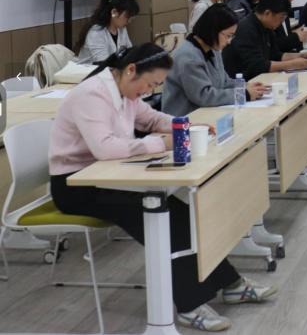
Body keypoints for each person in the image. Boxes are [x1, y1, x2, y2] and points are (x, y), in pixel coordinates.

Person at [48, 43, 276, 332]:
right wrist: (161, 143)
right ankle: (190, 304)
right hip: (76, 185)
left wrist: (183, 125)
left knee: (184, 214)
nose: (149, 91)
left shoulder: (125, 89)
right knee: (163, 215)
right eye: (150, 84)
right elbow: (104, 148)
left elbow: (152, 118)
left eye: (156, 86)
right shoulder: (92, 94)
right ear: (131, 70)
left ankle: (230, 284)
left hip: (109, 176)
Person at [163, 4, 270, 117]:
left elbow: (224, 81)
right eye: (228, 36)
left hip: (207, 113)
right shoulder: (188, 57)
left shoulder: (213, 48)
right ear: (213, 30)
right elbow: (204, 96)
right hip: (185, 118)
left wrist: (246, 86)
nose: (229, 41)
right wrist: (244, 94)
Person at [223, 0, 307, 80]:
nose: (281, 22)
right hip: (244, 81)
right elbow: (257, 66)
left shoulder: (266, 26)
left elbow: (275, 55)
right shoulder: (246, 29)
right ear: (267, 13)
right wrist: (292, 64)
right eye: (281, 18)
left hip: (261, 77)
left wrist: (299, 56)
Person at [75, 0, 139, 64]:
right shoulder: (96, 33)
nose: (129, 21)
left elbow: (130, 55)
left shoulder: (122, 29)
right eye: (127, 16)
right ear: (114, 12)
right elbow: (104, 65)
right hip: (92, 71)